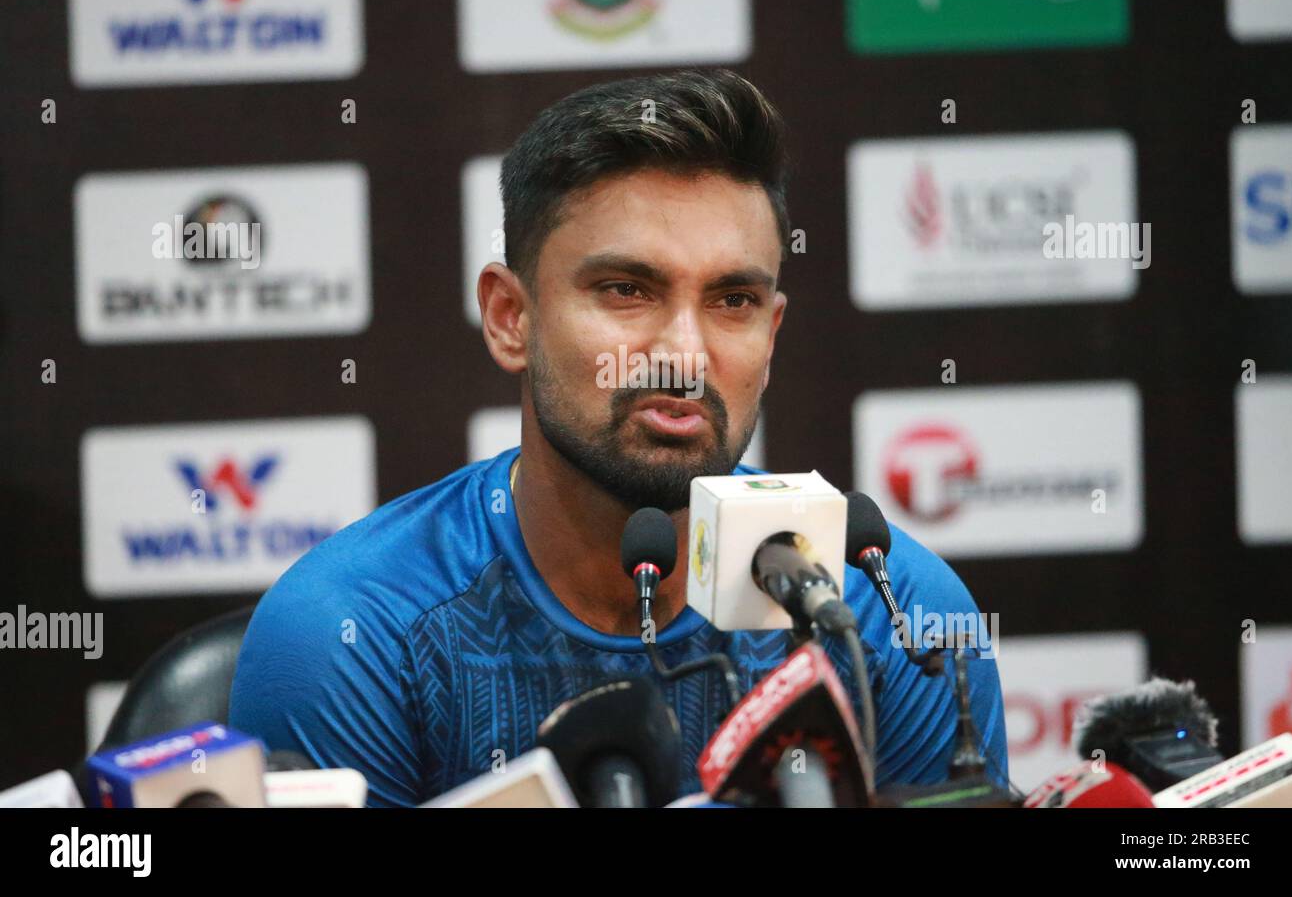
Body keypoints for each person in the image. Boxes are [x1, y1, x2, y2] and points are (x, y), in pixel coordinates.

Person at [229, 69, 1007, 806]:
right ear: (511, 317)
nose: (683, 354)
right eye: (627, 290)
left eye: (732, 300)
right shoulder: (352, 630)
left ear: (771, 336)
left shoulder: (885, 611)